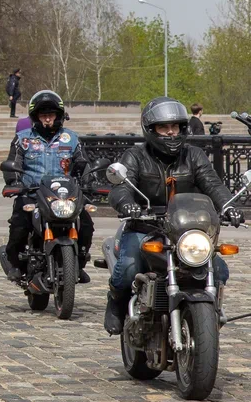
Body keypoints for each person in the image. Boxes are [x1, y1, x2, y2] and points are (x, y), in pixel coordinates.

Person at [103, 96, 243, 335]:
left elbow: (213, 184)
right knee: (128, 268)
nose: (170, 132)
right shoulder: (135, 156)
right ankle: (116, 303)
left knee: (219, 269)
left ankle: (210, 310)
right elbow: (121, 188)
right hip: (145, 227)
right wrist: (127, 204)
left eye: (175, 126)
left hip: (184, 230)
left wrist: (229, 206)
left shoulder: (194, 156)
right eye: (163, 127)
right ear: (150, 130)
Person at [0, 90, 94, 284]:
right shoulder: (23, 139)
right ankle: (15, 263)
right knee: (19, 224)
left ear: (59, 116)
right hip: (33, 194)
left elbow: (83, 164)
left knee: (86, 223)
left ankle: (79, 263)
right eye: (43, 115)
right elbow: (13, 164)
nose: (48, 119)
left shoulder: (71, 138)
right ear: (36, 117)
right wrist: (14, 183)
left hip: (65, 195)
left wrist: (89, 182)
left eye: (51, 114)